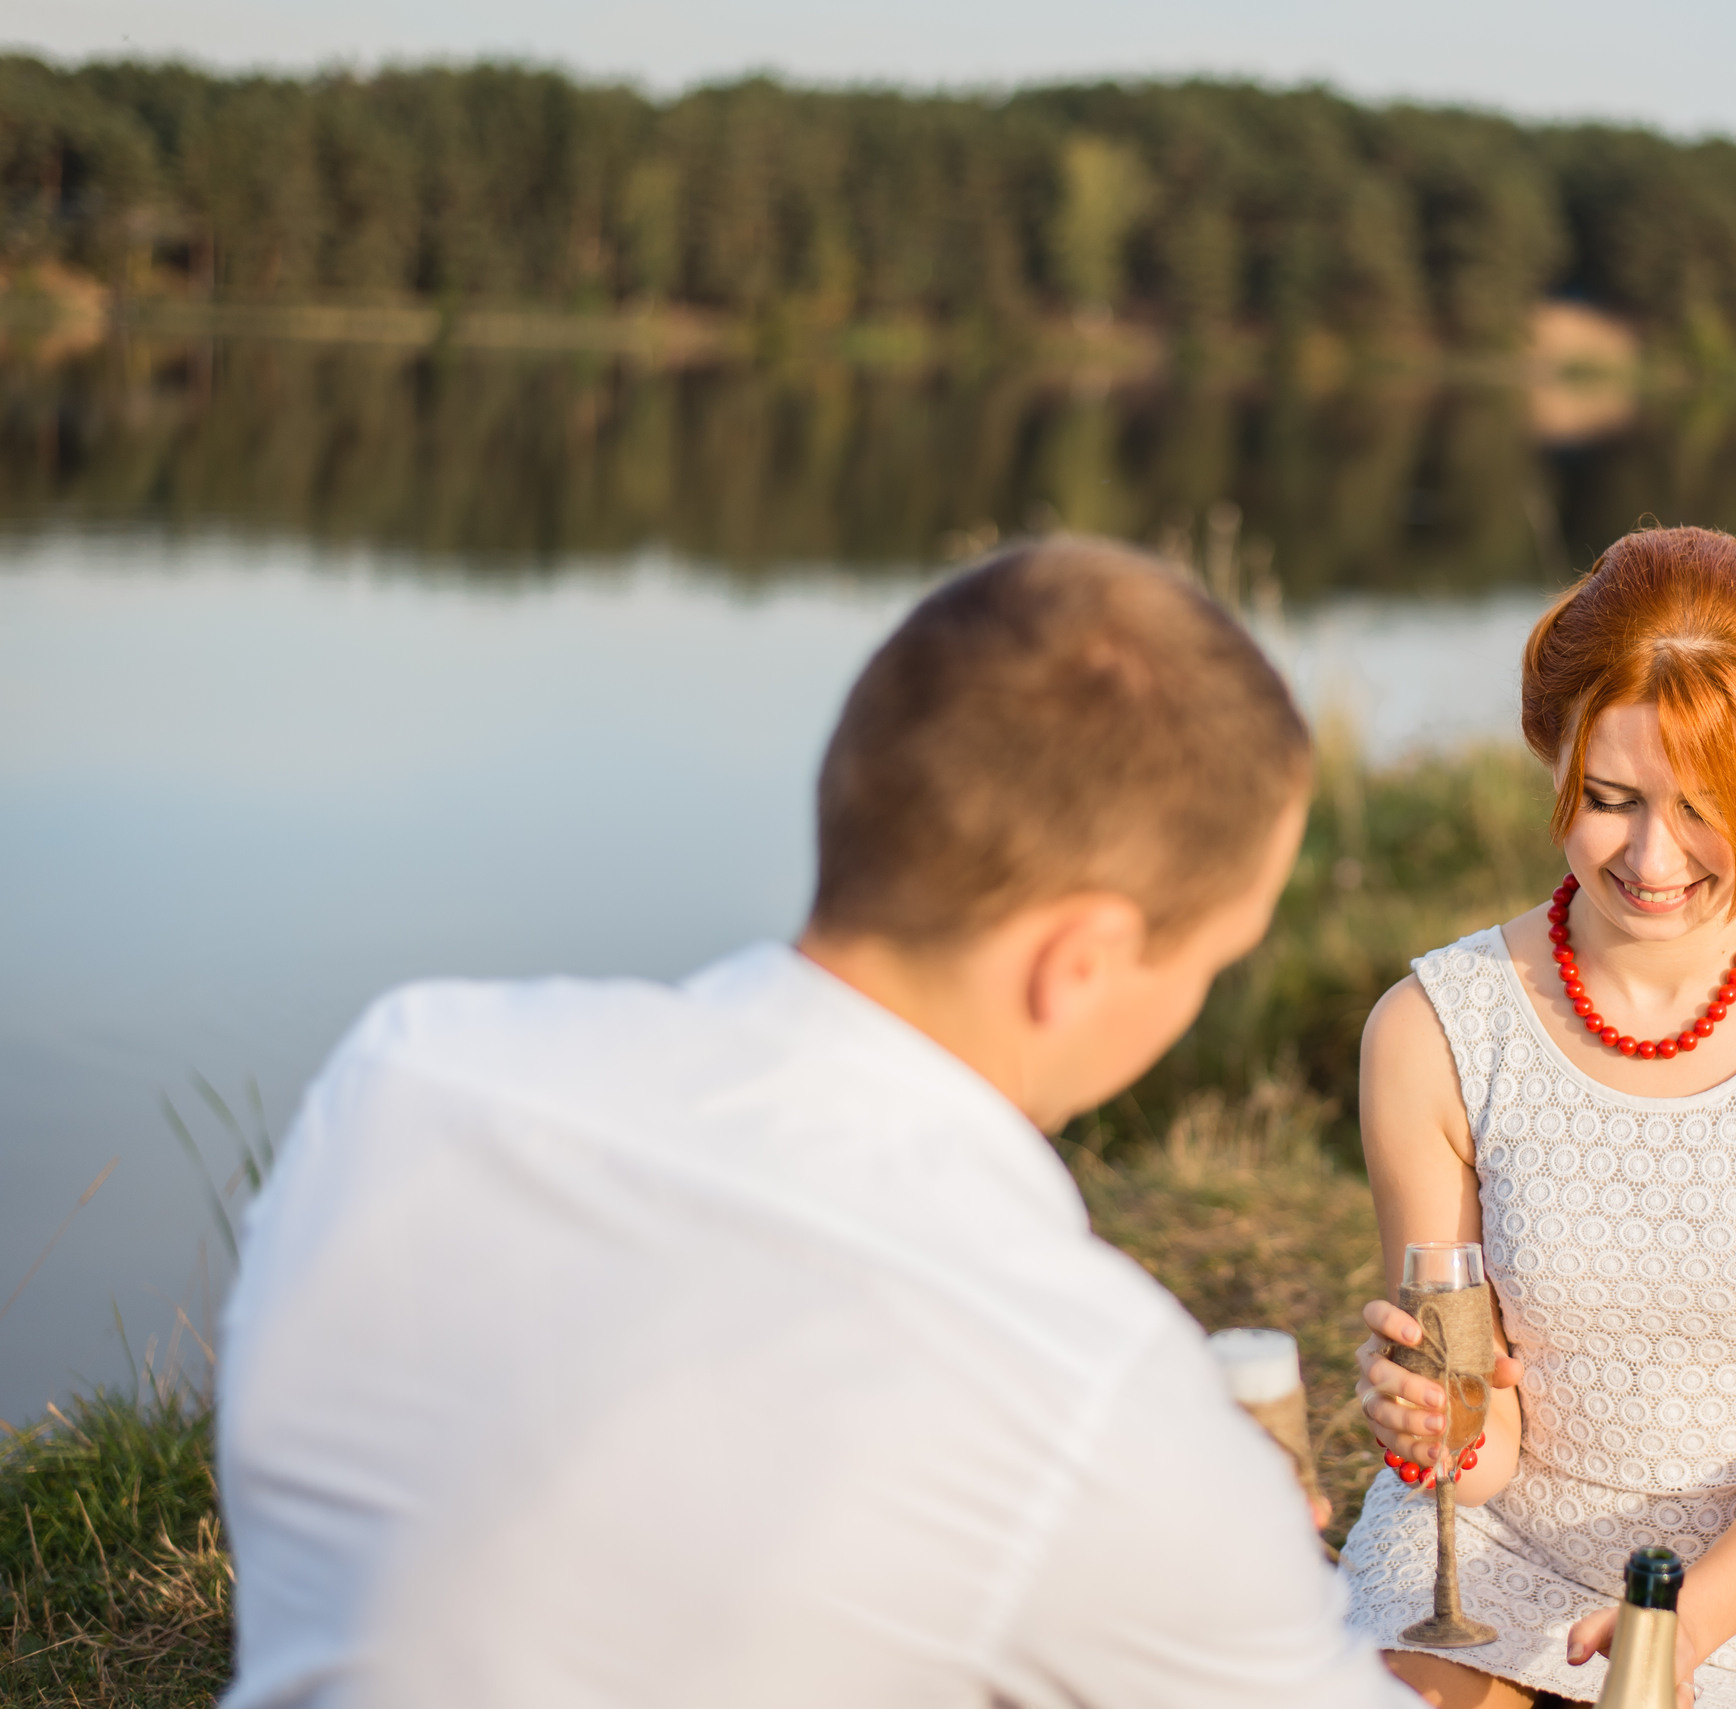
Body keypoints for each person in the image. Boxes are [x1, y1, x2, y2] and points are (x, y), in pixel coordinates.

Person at [216, 540, 1414, 1709]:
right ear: (1082, 960)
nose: (1201, 997)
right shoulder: (1082, 1384)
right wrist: (1212, 1535)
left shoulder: (409, 1070)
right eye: (1214, 955)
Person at [1336, 526, 1736, 1709]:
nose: (1652, 856)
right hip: (1482, 1572)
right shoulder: (1434, 1028)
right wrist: (1439, 1426)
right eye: (1607, 799)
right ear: (1550, 753)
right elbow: (1485, 1438)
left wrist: (1677, 1627)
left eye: (1703, 805)